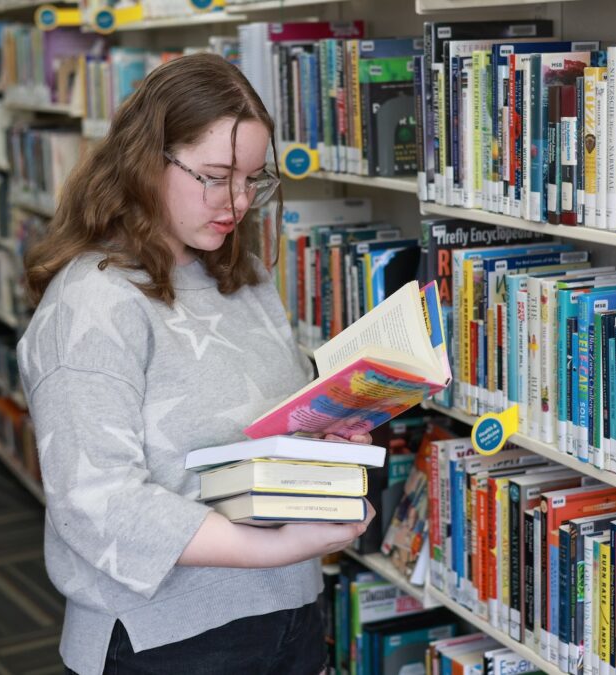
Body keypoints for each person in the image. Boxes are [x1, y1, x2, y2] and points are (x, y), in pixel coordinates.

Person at [19, 52, 375, 675]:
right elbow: (97, 503)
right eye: (215, 175)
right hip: (162, 638)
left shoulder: (244, 274)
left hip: (289, 610)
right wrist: (277, 549)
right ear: (146, 162)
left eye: (252, 179)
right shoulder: (91, 303)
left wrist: (325, 441)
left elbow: (251, 435)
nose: (237, 201)